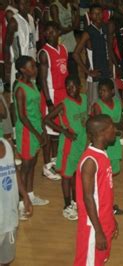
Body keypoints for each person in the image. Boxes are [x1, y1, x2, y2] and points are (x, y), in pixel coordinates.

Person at [74, 114, 119, 266]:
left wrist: (111, 220)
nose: (115, 130)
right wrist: (98, 231)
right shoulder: (90, 162)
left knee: (99, 261)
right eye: (112, 127)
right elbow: (88, 198)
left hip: (103, 221)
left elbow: (102, 194)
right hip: (93, 228)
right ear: (102, 133)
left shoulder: (102, 155)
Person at [44, 76, 87, 221]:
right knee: (67, 176)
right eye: (67, 87)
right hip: (69, 144)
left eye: (73, 86)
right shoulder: (64, 104)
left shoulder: (84, 99)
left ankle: (75, 202)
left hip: (81, 142)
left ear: (79, 86)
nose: (70, 89)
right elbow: (47, 119)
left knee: (76, 174)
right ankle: (67, 205)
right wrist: (64, 131)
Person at [13, 56, 49, 207]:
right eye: (32, 67)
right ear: (22, 70)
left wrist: (43, 129)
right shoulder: (20, 89)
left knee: (33, 163)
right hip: (28, 131)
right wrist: (36, 133)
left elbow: (37, 110)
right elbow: (22, 116)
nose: (35, 69)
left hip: (36, 128)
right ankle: (20, 202)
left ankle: (30, 195)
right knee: (26, 166)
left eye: (35, 66)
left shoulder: (33, 84)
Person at [38, 21, 68, 181]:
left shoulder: (63, 49)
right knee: (49, 132)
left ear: (58, 32)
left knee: (58, 130)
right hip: (51, 94)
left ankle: (56, 161)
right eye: (47, 32)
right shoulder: (44, 53)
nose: (50, 34)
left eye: (53, 31)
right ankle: (46, 165)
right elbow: (42, 79)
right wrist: (49, 101)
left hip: (63, 94)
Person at [91, 78, 123, 215]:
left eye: (104, 90)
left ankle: (108, 204)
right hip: (104, 146)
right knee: (103, 177)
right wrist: (114, 127)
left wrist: (112, 126)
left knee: (110, 177)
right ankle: (102, 204)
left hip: (115, 144)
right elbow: (101, 127)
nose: (101, 93)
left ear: (112, 92)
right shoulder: (97, 106)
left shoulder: (117, 103)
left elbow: (122, 124)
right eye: (100, 91)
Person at [73, 4, 113, 112]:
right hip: (95, 72)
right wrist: (88, 71)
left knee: (108, 99)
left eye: (99, 13)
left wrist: (112, 63)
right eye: (94, 14)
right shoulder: (88, 32)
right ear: (90, 15)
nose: (98, 16)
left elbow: (108, 47)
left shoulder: (105, 27)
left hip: (106, 69)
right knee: (94, 104)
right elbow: (75, 54)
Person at [0, 136, 33, 266]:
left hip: (10, 217)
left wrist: (25, 196)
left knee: (6, 259)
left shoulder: (7, 145)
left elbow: (14, 171)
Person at [4, 0, 37, 90]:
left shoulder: (31, 18)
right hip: (20, 65)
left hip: (32, 62)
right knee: (19, 93)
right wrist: (7, 67)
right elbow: (7, 44)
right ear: (17, 5)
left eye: (27, 3)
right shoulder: (14, 22)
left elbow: (34, 42)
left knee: (31, 93)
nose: (25, 6)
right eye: (22, 3)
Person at [50, 0, 80, 77]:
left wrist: (77, 10)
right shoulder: (55, 7)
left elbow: (76, 25)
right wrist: (71, 28)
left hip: (71, 46)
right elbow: (59, 30)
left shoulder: (69, 6)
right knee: (63, 75)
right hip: (61, 46)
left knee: (73, 75)